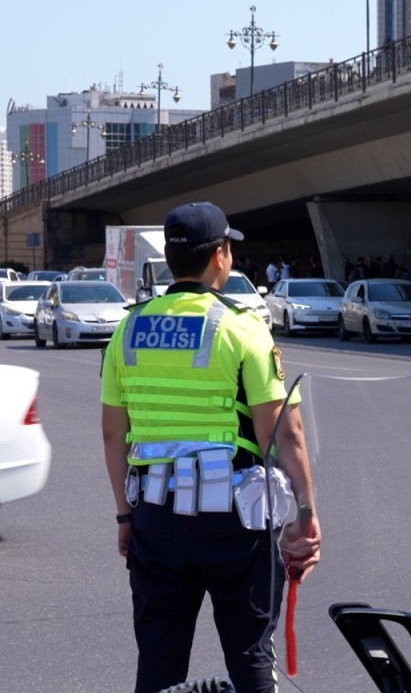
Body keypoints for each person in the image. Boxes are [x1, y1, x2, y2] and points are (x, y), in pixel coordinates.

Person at [100, 202, 321, 693]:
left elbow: (114, 434)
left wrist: (124, 516)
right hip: (234, 525)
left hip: (155, 519)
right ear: (220, 255)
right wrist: (304, 513)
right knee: (250, 660)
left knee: (158, 661)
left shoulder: (128, 329)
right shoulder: (242, 327)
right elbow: (285, 432)